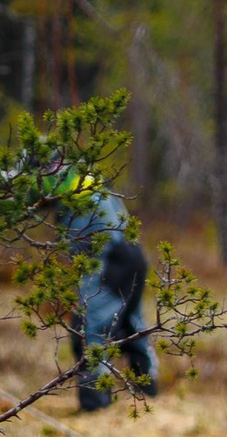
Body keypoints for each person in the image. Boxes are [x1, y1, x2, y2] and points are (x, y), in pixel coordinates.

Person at [57, 173, 156, 411]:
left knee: (90, 331)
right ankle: (148, 388)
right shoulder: (94, 182)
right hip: (132, 256)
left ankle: (95, 402)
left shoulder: (72, 188)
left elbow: (82, 245)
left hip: (109, 263)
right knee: (132, 324)